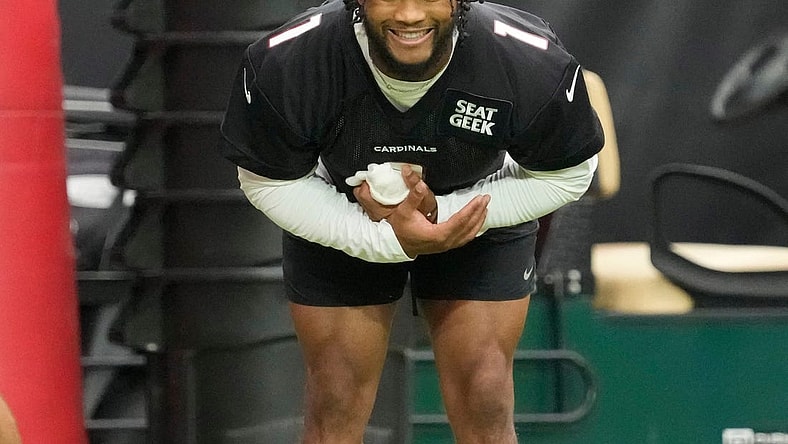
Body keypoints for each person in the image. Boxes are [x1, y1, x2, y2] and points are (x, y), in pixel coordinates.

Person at [218, 0, 603, 442]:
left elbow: (572, 173)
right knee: (334, 400)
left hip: (480, 212)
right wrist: (383, 238)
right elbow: (266, 182)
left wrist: (449, 216)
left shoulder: (528, 59)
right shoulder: (292, 60)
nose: (408, 14)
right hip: (341, 212)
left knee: (485, 393)